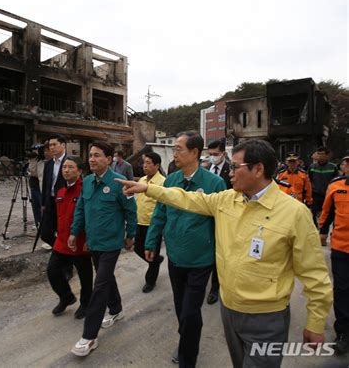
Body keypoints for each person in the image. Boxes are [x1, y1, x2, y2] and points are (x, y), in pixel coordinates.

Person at [117, 139, 333, 368]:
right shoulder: (227, 200)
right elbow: (187, 198)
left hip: (266, 317)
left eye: (236, 167)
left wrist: (316, 322)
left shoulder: (294, 213)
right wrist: (149, 189)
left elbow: (314, 274)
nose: (229, 172)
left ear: (258, 169)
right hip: (229, 310)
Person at [145, 132, 226, 367]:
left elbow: (221, 223)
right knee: (181, 307)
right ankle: (187, 340)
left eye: (179, 148)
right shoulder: (171, 180)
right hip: (175, 257)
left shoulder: (214, 184)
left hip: (201, 260)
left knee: (191, 311)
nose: (174, 153)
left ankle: (187, 357)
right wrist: (151, 242)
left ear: (194, 153)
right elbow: (159, 214)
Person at [68, 141, 136, 357]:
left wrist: (131, 235)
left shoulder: (120, 183)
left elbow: (131, 211)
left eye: (97, 155)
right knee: (105, 279)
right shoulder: (86, 182)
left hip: (112, 243)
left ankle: (89, 336)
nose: (92, 159)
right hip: (94, 242)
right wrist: (73, 232)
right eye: (90, 155)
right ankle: (116, 310)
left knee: (100, 286)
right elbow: (80, 209)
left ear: (109, 159)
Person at [47, 156, 92, 320]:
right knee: (52, 271)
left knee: (85, 276)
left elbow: (90, 217)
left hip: (81, 242)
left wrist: (89, 239)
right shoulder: (60, 191)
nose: (66, 170)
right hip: (62, 241)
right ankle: (66, 296)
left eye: (70, 167)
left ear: (80, 171)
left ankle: (86, 303)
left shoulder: (86, 190)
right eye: (64, 167)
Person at [319, 155, 349, 355]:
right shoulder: (336, 185)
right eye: (346, 162)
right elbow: (328, 211)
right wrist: (322, 231)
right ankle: (344, 333)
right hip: (341, 247)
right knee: (342, 290)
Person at [134, 152, 166, 293]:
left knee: (152, 251)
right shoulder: (141, 180)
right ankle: (156, 261)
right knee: (137, 248)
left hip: (153, 224)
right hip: (140, 221)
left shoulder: (163, 182)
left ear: (157, 165)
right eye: (144, 163)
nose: (144, 166)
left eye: (148, 163)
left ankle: (150, 281)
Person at [206, 139, 232, 305]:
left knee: (219, 252)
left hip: (225, 216)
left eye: (216, 154)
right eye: (210, 155)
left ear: (223, 153)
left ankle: (215, 287)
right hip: (207, 216)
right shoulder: (206, 169)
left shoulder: (231, 170)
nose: (213, 158)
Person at [41, 135, 67, 250]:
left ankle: (63, 255)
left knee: (63, 232)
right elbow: (45, 185)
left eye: (54, 144)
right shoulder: (48, 163)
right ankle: (60, 249)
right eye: (50, 145)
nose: (51, 147)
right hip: (50, 202)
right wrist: (43, 203)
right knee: (45, 234)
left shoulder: (69, 162)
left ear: (63, 145)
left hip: (64, 203)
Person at [308, 146, 339, 244]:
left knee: (327, 215)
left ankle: (324, 234)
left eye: (322, 154)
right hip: (316, 194)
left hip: (328, 195)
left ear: (327, 156)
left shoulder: (333, 167)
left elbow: (336, 181)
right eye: (318, 154)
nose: (320, 156)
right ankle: (313, 232)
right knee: (311, 214)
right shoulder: (312, 167)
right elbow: (309, 180)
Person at [27, 144, 46, 229]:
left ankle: (43, 224)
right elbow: (32, 171)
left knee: (42, 205)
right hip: (33, 184)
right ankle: (38, 223)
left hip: (40, 186)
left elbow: (40, 176)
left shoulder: (42, 161)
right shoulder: (34, 160)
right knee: (35, 206)